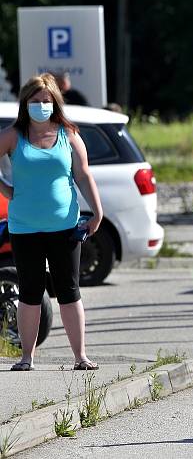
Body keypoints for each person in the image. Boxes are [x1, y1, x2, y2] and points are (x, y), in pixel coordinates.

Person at [0, 73, 103, 371]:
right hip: (25, 227)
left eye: (46, 100)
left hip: (65, 225)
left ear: (55, 102)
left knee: (69, 291)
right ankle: (26, 357)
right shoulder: (13, 135)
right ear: (25, 103)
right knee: (30, 292)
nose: (41, 106)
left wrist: (97, 210)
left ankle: (80, 356)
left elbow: (83, 174)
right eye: (35, 101)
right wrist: (6, 188)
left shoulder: (68, 134)